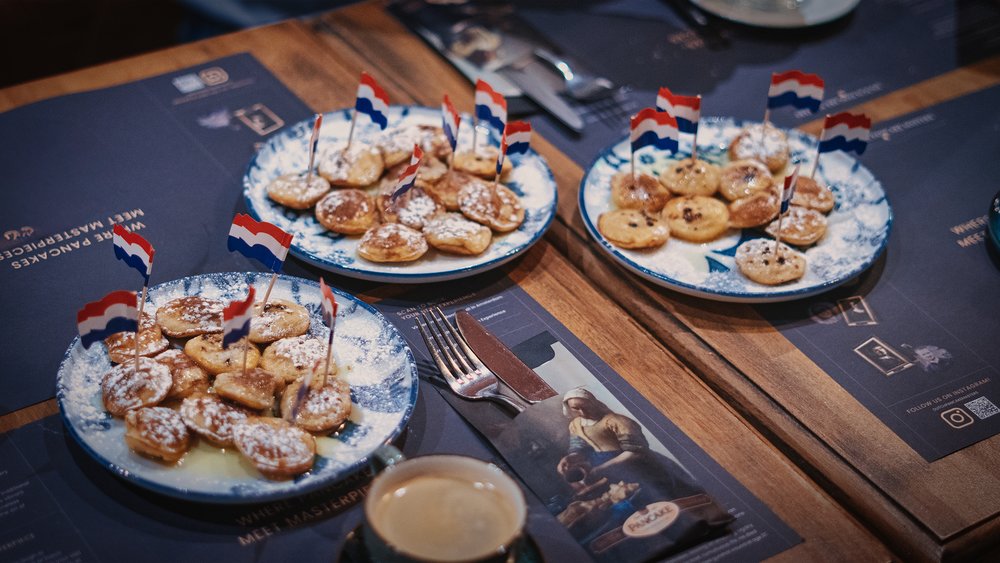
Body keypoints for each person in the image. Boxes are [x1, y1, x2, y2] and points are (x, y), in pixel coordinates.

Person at [556, 388, 702, 505]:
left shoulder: (616, 421)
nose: (582, 413)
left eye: (585, 407)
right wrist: (571, 457)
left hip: (636, 464)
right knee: (627, 500)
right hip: (604, 466)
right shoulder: (575, 424)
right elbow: (579, 446)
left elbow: (636, 451)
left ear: (593, 403)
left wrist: (603, 469)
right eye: (577, 409)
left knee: (661, 497)